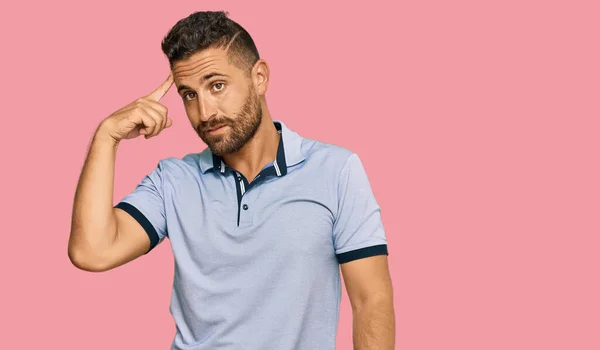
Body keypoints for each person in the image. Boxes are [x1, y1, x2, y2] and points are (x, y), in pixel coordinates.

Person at [68, 10, 395, 350]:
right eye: (189, 95)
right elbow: (92, 251)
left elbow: (371, 300)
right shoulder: (174, 180)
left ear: (260, 77)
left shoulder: (335, 171)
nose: (205, 112)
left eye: (217, 85)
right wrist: (107, 137)